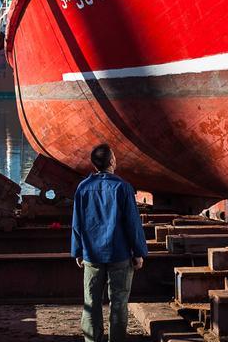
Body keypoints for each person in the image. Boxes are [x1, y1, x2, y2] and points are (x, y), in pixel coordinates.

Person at [71, 143, 148, 342]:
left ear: (94, 164)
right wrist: (139, 252)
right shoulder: (122, 187)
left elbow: (77, 222)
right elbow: (132, 223)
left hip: (92, 255)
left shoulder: (83, 188)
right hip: (119, 254)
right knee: (119, 303)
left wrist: (77, 250)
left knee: (91, 303)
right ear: (112, 161)